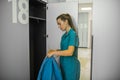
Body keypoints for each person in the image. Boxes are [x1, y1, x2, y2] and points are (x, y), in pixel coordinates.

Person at [47, 13, 80, 80]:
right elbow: (64, 49)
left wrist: (54, 53)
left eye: (59, 23)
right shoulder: (64, 36)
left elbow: (70, 52)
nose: (58, 26)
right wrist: (55, 50)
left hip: (70, 67)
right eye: (57, 24)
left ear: (66, 21)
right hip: (63, 66)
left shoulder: (72, 34)